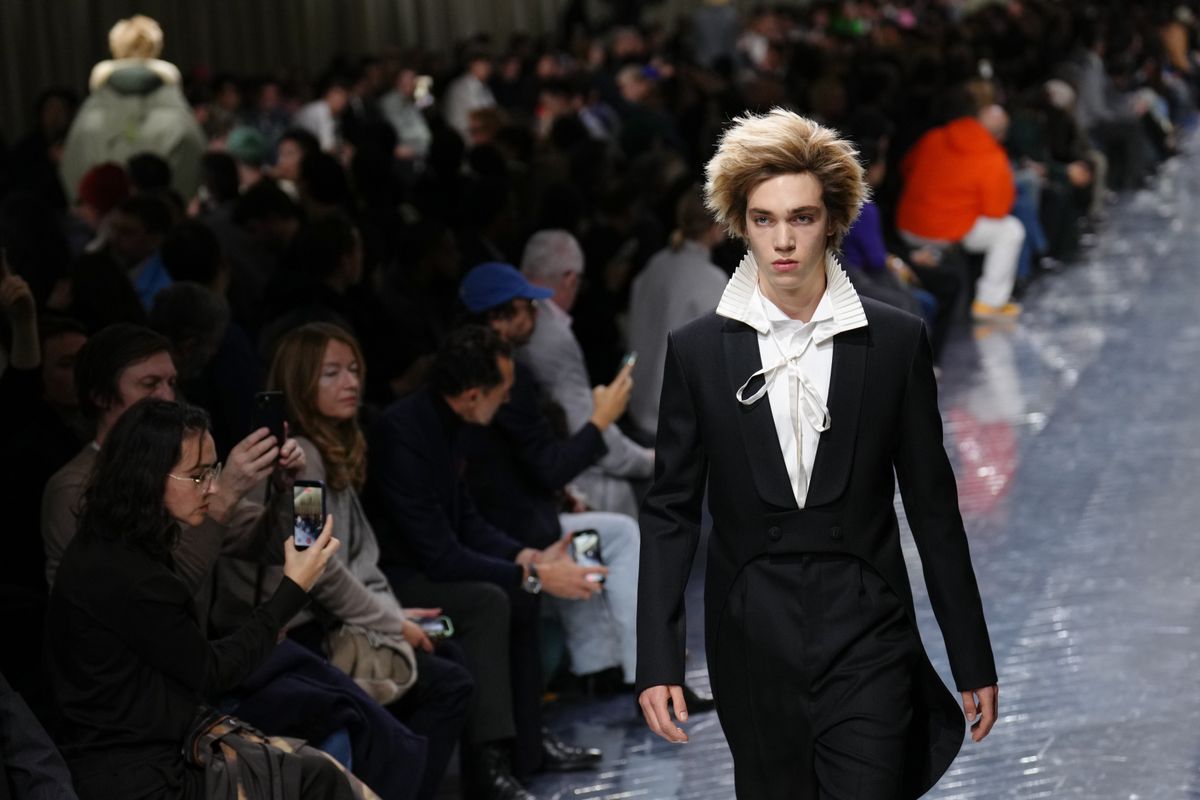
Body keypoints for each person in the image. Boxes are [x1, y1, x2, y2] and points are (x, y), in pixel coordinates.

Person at [636, 109, 998, 799]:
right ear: (740, 223)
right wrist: (657, 658)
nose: (783, 240)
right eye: (764, 219)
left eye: (800, 218)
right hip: (752, 634)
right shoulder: (699, 351)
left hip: (868, 628)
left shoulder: (893, 342)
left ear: (832, 221)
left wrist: (970, 655)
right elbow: (670, 511)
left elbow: (932, 505)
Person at [45, 398, 351, 800]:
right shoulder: (125, 571)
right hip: (141, 777)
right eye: (198, 476)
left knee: (322, 750)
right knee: (318, 772)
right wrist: (293, 590)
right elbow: (211, 671)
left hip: (149, 749)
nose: (213, 487)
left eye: (213, 470)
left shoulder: (118, 542)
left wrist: (291, 490)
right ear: (149, 477)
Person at [227, 322, 473, 800]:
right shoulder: (304, 457)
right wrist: (392, 623)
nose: (351, 383)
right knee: (447, 681)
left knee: (447, 661)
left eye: (354, 370)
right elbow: (318, 563)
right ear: (300, 383)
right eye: (332, 373)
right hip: (295, 632)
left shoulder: (329, 449)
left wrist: (392, 616)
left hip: (320, 619)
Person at [365, 325, 607, 798]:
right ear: (474, 394)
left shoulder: (451, 425)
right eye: (504, 389)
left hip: (427, 564)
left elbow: (467, 520)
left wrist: (525, 558)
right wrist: (534, 574)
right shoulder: (403, 433)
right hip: (396, 579)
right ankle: (488, 766)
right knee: (490, 601)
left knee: (516, 594)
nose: (510, 397)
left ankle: (528, 747)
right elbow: (439, 553)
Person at [518, 231, 654, 518]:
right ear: (569, 279)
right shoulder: (549, 335)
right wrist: (646, 461)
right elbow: (584, 422)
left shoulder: (532, 322)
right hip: (555, 470)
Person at [896, 101, 1025, 321]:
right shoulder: (993, 156)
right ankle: (989, 304)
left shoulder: (933, 136)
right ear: (1001, 134)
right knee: (1011, 230)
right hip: (949, 231)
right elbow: (997, 211)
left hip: (908, 225)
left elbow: (906, 168)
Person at [626, 187, 728, 439]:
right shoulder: (711, 280)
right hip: (672, 420)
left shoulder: (656, 264)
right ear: (716, 225)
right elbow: (717, 360)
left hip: (637, 404)